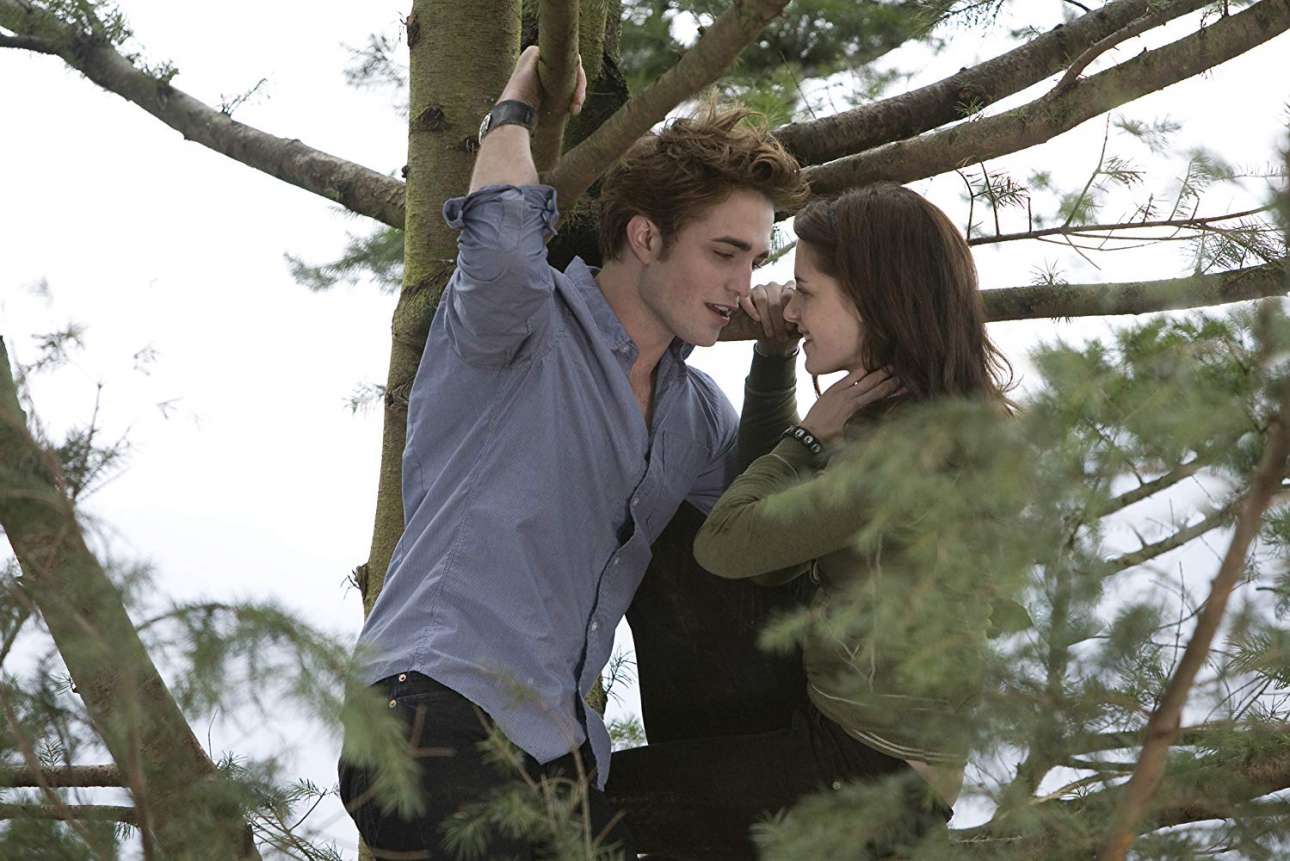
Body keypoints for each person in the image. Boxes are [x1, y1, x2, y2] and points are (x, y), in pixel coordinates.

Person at [337, 44, 809, 859]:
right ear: (646, 236)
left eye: (756, 260)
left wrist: (775, 358)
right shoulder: (522, 325)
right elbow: (500, 237)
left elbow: (762, 524)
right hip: (436, 709)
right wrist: (518, 102)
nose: (742, 284)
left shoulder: (695, 415)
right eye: (724, 252)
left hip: (561, 758)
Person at [693, 183, 1015, 857]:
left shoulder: (906, 455)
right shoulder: (914, 421)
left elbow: (726, 544)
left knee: (591, 805)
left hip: (867, 774)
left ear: (872, 299)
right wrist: (775, 359)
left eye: (807, 292)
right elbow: (770, 558)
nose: (792, 308)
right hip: (854, 745)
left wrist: (806, 438)